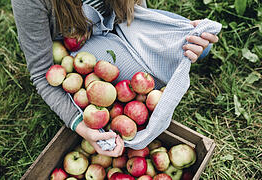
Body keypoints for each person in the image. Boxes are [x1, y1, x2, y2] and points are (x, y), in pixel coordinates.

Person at [11, 0, 219, 157]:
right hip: (82, 45)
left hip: (119, 20)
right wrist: (83, 128)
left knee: (199, 45)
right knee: (147, 90)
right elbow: (41, 74)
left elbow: (135, 8)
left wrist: (169, 31)